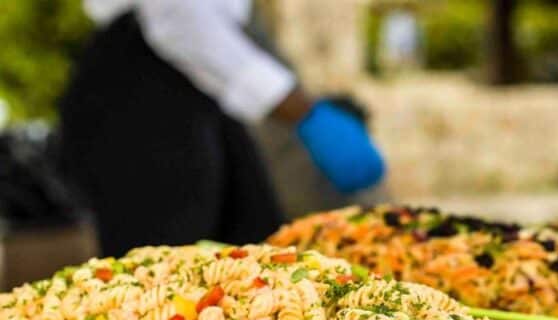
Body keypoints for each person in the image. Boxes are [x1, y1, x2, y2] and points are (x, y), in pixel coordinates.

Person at [59, 0, 386, 257]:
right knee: (162, 267)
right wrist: (303, 112)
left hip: (192, 86)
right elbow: (181, 21)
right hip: (144, 88)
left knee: (252, 246)